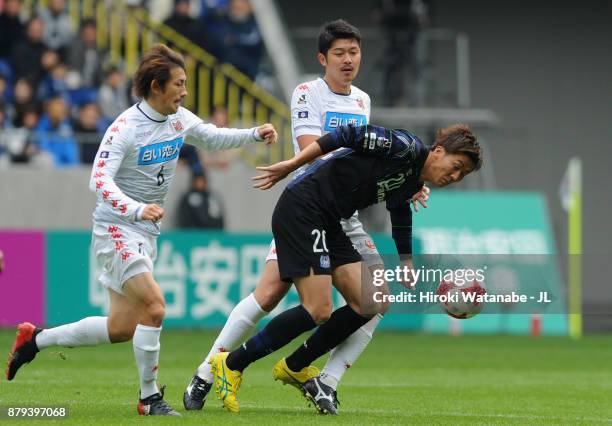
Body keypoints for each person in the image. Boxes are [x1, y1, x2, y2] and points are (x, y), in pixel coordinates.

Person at [5, 44, 278, 416]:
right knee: (155, 307)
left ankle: (34, 340)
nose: (184, 92)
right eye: (179, 84)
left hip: (146, 231)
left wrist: (253, 134)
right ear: (155, 86)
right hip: (116, 226)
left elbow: (211, 136)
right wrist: (135, 208)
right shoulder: (125, 128)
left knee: (121, 328)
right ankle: (149, 399)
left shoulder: (179, 119)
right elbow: (98, 180)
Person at [183, 19, 428, 413]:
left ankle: (326, 380)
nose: (348, 60)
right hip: (309, 208)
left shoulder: (362, 100)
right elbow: (311, 149)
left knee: (376, 298)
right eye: (340, 54)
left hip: (346, 217)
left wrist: (406, 177)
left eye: (354, 52)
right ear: (322, 58)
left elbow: (370, 159)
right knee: (268, 296)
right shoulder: (306, 93)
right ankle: (205, 373)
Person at [210, 122, 482, 414]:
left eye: (461, 174)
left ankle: (294, 366)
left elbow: (399, 209)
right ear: (438, 151)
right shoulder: (405, 147)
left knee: (371, 302)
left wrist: (406, 261)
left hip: (331, 220)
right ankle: (231, 363)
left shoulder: (413, 181)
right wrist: (291, 164)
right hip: (304, 207)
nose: (454, 176)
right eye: (456, 166)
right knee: (318, 309)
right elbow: (346, 135)